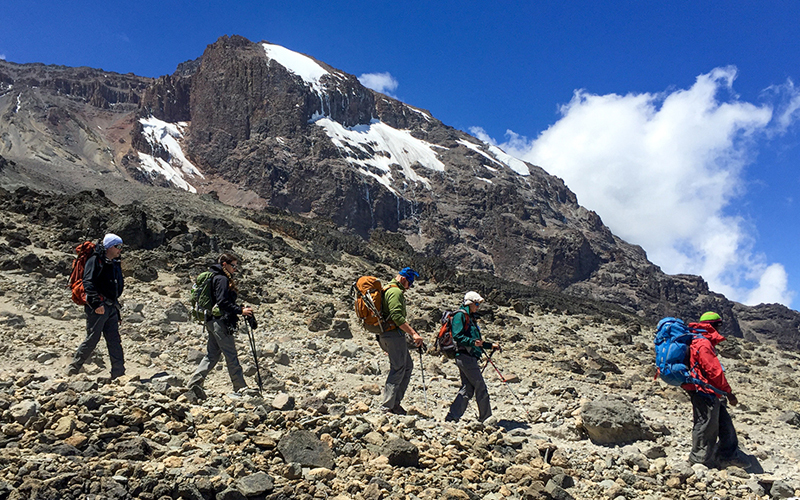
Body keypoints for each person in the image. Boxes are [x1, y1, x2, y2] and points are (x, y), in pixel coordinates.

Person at [187, 253, 254, 398]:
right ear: (225, 264)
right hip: (220, 322)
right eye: (233, 266)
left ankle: (194, 383)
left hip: (210, 320)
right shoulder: (222, 279)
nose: (235, 269)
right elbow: (222, 302)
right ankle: (240, 387)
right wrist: (240, 310)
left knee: (212, 354)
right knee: (231, 354)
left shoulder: (213, 276)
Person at [683, 311, 743, 468]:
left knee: (723, 422)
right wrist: (728, 393)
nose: (720, 329)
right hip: (704, 389)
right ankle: (699, 460)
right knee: (706, 423)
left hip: (705, 388)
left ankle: (727, 455)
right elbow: (713, 371)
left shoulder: (696, 340)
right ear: (713, 326)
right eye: (719, 325)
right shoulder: (703, 343)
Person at [68, 233, 125, 378]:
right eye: (118, 246)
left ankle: (119, 373)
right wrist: (96, 303)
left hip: (111, 306)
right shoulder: (95, 260)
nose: (120, 250)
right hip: (98, 307)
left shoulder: (114, 262)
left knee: (114, 340)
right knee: (93, 338)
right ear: (110, 246)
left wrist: (115, 309)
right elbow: (88, 282)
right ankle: (73, 368)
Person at [445, 292, 500, 423]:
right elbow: (457, 336)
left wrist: (490, 345)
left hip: (467, 356)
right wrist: (471, 342)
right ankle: (486, 418)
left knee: (468, 388)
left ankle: (452, 416)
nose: (478, 307)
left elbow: (476, 341)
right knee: (480, 386)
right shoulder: (461, 315)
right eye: (476, 304)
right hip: (465, 357)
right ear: (469, 303)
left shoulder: (470, 317)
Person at [377, 267, 424, 414]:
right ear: (403, 279)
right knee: (398, 368)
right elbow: (397, 317)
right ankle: (388, 406)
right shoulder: (395, 292)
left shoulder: (387, 289)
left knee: (407, 365)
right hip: (393, 335)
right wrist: (414, 333)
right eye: (409, 283)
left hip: (386, 335)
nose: (409, 287)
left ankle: (395, 402)